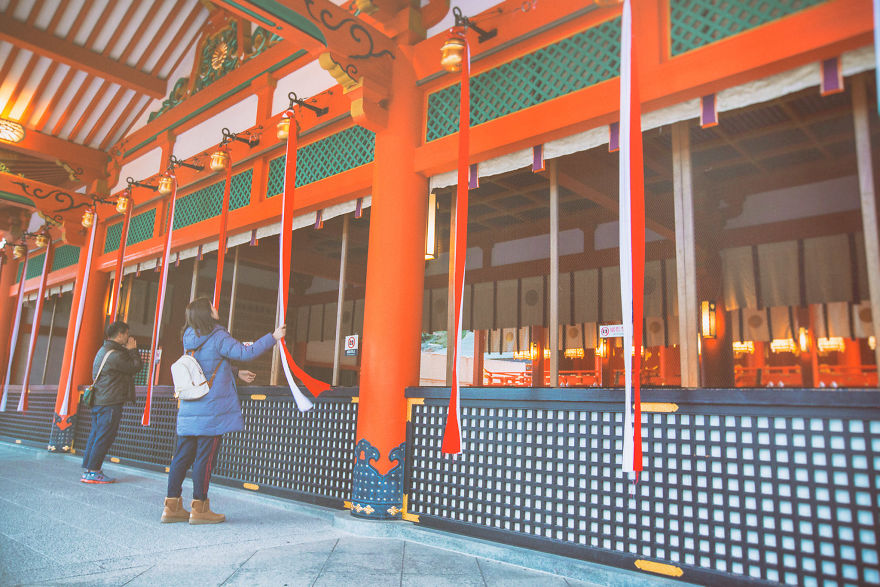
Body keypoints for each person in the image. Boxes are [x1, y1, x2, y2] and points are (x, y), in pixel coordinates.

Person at [162, 297, 283, 524]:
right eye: (212, 306)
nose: (216, 308)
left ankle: (171, 506)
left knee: (180, 457)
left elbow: (204, 364)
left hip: (190, 409)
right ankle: (200, 508)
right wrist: (273, 337)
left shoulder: (189, 337)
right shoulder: (218, 335)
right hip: (212, 409)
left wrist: (235, 372)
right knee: (204, 460)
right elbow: (246, 352)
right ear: (207, 313)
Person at [81, 320, 142, 484]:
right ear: (121, 334)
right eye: (127, 334)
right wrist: (134, 350)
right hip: (110, 401)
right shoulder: (116, 354)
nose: (128, 338)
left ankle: (89, 470)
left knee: (96, 434)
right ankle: (94, 471)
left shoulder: (103, 351)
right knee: (104, 436)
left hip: (100, 400)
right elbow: (135, 367)